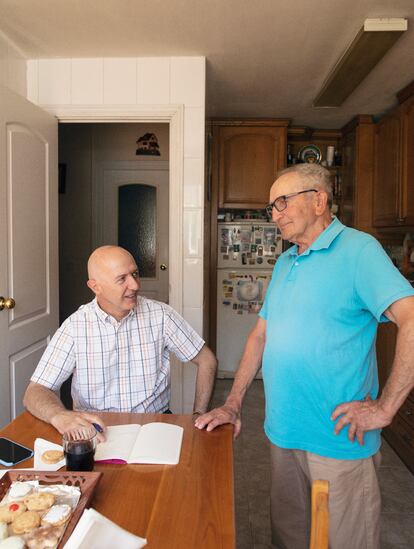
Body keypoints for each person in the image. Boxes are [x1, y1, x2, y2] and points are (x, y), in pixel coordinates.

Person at [195, 163, 414, 549]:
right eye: (271, 207)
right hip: (283, 431)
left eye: (282, 202)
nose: (275, 214)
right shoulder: (284, 261)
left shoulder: (360, 250)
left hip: (338, 439)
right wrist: (233, 402)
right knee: (291, 538)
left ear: (318, 200)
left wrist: (385, 409)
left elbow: (411, 317)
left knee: (347, 541)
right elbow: (261, 335)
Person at [24, 245, 217, 440]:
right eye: (122, 279)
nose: (134, 285)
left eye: (135, 274)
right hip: (97, 430)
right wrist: (59, 416)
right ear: (95, 287)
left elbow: (206, 360)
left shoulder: (161, 315)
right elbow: (35, 391)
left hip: (154, 424)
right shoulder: (75, 327)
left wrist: (198, 415)